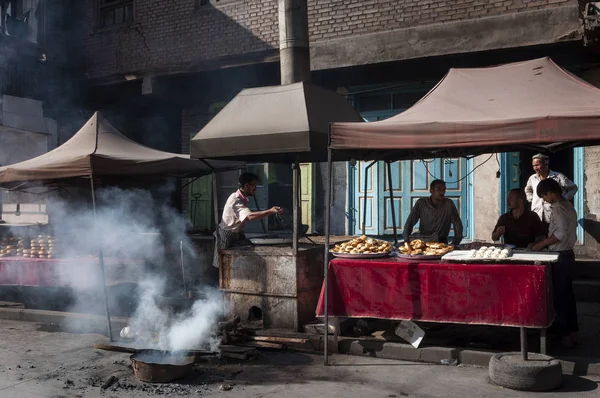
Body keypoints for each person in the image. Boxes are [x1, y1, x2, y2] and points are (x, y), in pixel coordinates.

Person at [530, 178, 579, 348]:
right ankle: (572, 331)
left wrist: (541, 245)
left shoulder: (558, 207)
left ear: (551, 193)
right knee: (568, 295)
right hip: (568, 254)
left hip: (560, 256)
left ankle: (564, 334)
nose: (544, 200)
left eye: (544, 196)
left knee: (560, 297)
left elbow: (559, 234)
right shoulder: (568, 205)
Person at [213, 172, 283, 268]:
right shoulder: (235, 199)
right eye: (254, 185)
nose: (255, 188)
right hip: (226, 235)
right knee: (220, 264)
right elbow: (249, 216)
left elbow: (240, 221)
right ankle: (213, 283)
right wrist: (270, 211)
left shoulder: (243, 199)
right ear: (246, 186)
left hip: (236, 234)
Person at [524, 153, 578, 232]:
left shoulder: (558, 177)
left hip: (554, 216)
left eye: (537, 165)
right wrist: (531, 199)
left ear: (545, 163)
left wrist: (563, 199)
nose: (535, 168)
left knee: (553, 239)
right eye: (533, 166)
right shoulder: (532, 178)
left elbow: (573, 188)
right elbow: (528, 189)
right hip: (537, 215)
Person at [403, 179, 463, 245]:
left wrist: (455, 243)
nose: (442, 192)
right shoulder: (421, 203)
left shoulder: (448, 204)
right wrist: (406, 240)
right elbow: (410, 221)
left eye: (444, 189)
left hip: (441, 243)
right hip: (423, 242)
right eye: (439, 189)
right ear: (431, 190)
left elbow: (457, 223)